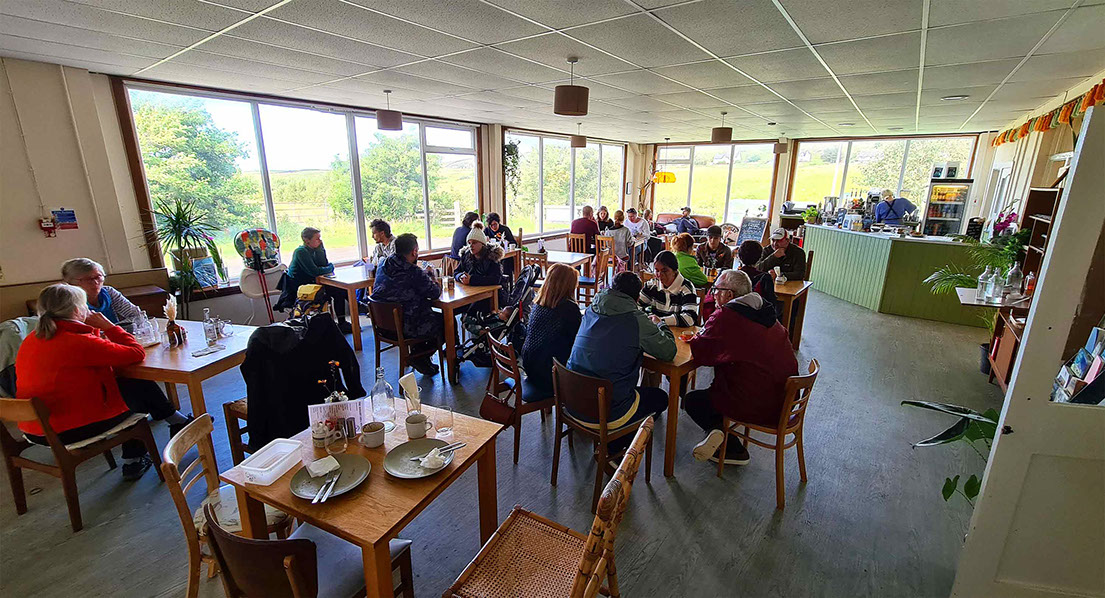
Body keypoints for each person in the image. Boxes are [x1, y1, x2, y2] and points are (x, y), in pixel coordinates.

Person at [15, 284, 158, 480]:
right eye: (85, 305)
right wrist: (109, 326)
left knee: (130, 385)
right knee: (135, 386)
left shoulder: (32, 339)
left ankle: (172, 418)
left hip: (35, 426)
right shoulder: (76, 340)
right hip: (67, 430)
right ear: (76, 310)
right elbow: (136, 353)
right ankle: (134, 458)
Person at [60, 258, 193, 435]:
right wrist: (113, 331)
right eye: (89, 279)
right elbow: (87, 337)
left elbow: (137, 316)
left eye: (99, 277)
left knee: (134, 377)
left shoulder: (108, 293)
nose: (96, 282)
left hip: (114, 349)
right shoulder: (72, 306)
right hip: (96, 365)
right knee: (132, 381)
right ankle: (159, 425)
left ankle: (171, 419)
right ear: (72, 283)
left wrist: (116, 331)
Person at [685, 270, 799, 465]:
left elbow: (702, 353)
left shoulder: (728, 315)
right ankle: (718, 432)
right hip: (784, 398)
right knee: (719, 385)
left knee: (693, 401)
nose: (713, 294)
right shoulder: (763, 310)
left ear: (729, 294)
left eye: (717, 290)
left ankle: (732, 449)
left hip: (757, 403)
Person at [567, 272, 676, 453]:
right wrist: (660, 324)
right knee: (660, 398)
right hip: (607, 409)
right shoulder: (635, 319)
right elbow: (668, 352)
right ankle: (614, 445)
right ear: (636, 297)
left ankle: (610, 441)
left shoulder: (591, 308)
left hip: (573, 400)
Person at [371, 233, 444, 375]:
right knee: (446, 322)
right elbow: (434, 292)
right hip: (406, 326)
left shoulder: (382, 264)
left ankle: (421, 359)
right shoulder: (413, 271)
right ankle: (419, 357)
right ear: (414, 251)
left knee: (422, 315)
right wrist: (431, 276)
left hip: (383, 326)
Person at [521, 264, 581, 402]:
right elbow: (577, 340)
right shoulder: (569, 308)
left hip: (530, 366)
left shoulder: (538, 303)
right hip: (550, 374)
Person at [286, 227, 353, 333]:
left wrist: (320, 249)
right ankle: (354, 311)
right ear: (307, 240)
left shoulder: (314, 250)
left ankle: (344, 320)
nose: (320, 240)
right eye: (317, 239)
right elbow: (316, 271)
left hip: (313, 284)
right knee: (339, 292)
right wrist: (330, 267)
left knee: (341, 290)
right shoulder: (301, 252)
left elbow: (323, 265)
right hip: (301, 288)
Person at [639, 250, 699, 327]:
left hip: (679, 334)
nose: (660, 275)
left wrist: (660, 321)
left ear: (675, 270)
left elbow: (690, 318)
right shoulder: (652, 285)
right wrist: (648, 317)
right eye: (657, 270)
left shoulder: (686, 288)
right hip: (657, 333)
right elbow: (637, 305)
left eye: (665, 271)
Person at [455, 222, 505, 312]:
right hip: (469, 293)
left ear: (482, 243)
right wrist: (460, 277)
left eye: (474, 243)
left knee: (472, 310)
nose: (471, 246)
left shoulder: (491, 256)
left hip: (489, 296)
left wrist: (472, 280)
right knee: (454, 309)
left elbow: (496, 279)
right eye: (469, 243)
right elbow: (456, 272)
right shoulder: (466, 255)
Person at [486, 212, 517, 279]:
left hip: (505, 254)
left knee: (506, 262)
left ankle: (507, 282)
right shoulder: (487, 230)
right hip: (492, 255)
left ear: (498, 222)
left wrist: (507, 242)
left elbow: (514, 243)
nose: (493, 227)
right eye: (491, 225)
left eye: (495, 224)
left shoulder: (505, 229)